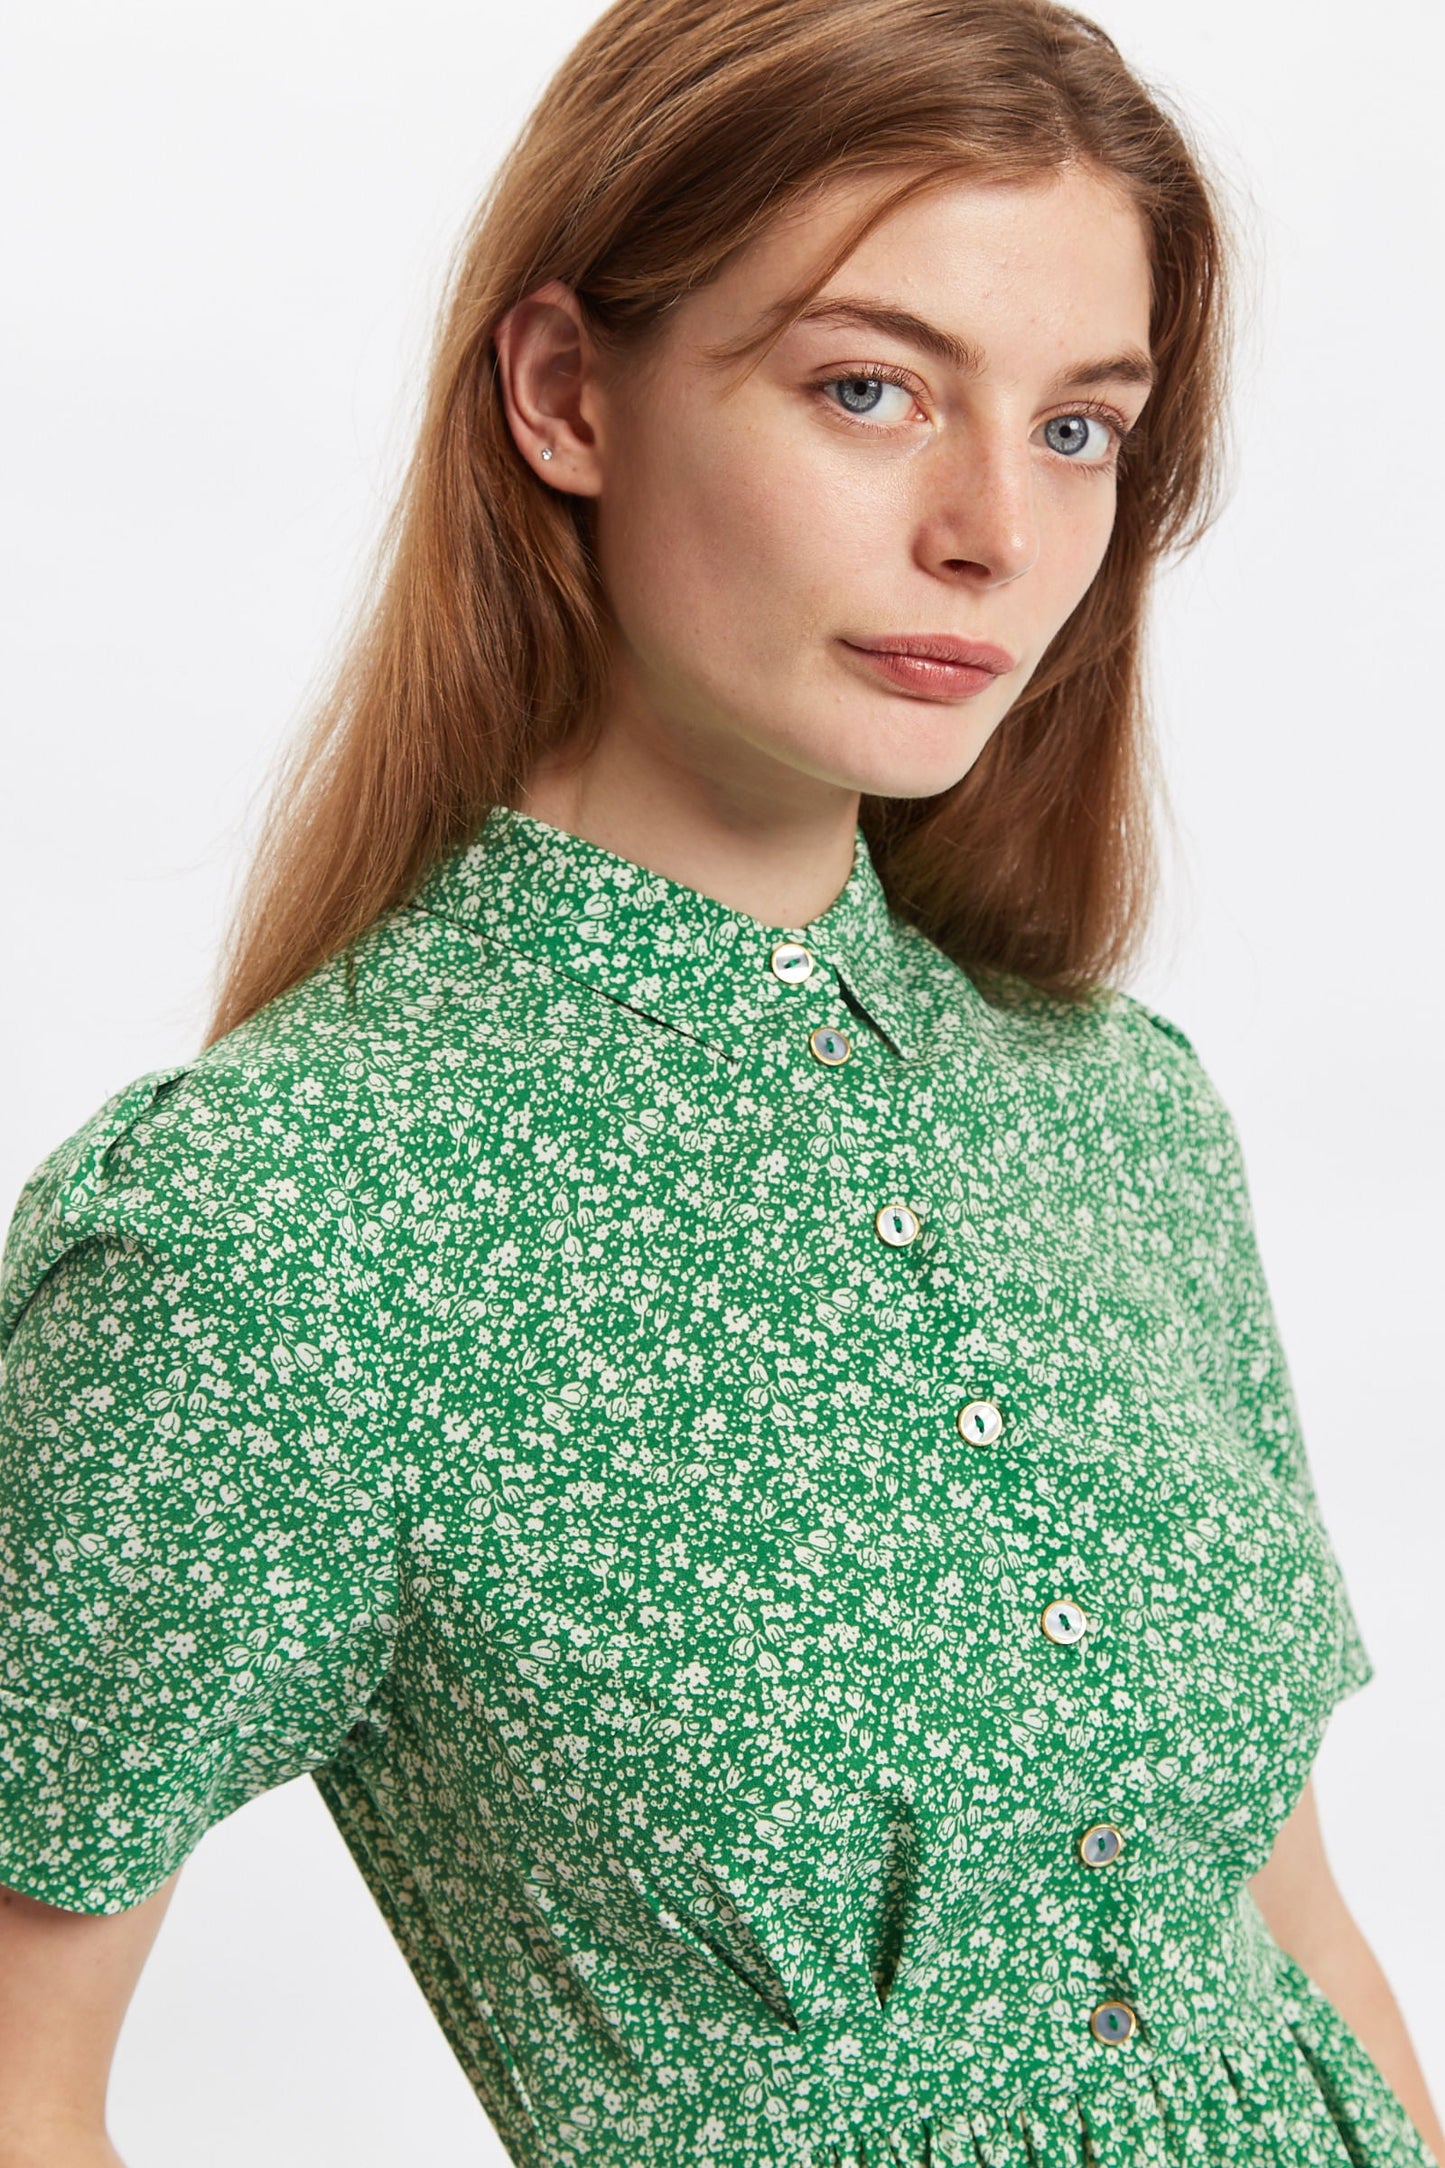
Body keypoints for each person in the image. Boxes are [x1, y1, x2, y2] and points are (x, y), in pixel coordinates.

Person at [0, 0, 1439, 2162]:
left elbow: (1294, 1934)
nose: (994, 529)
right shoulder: (285, 1227)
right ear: (566, 393)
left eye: (1078, 428)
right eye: (870, 388)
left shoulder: (1120, 1115)